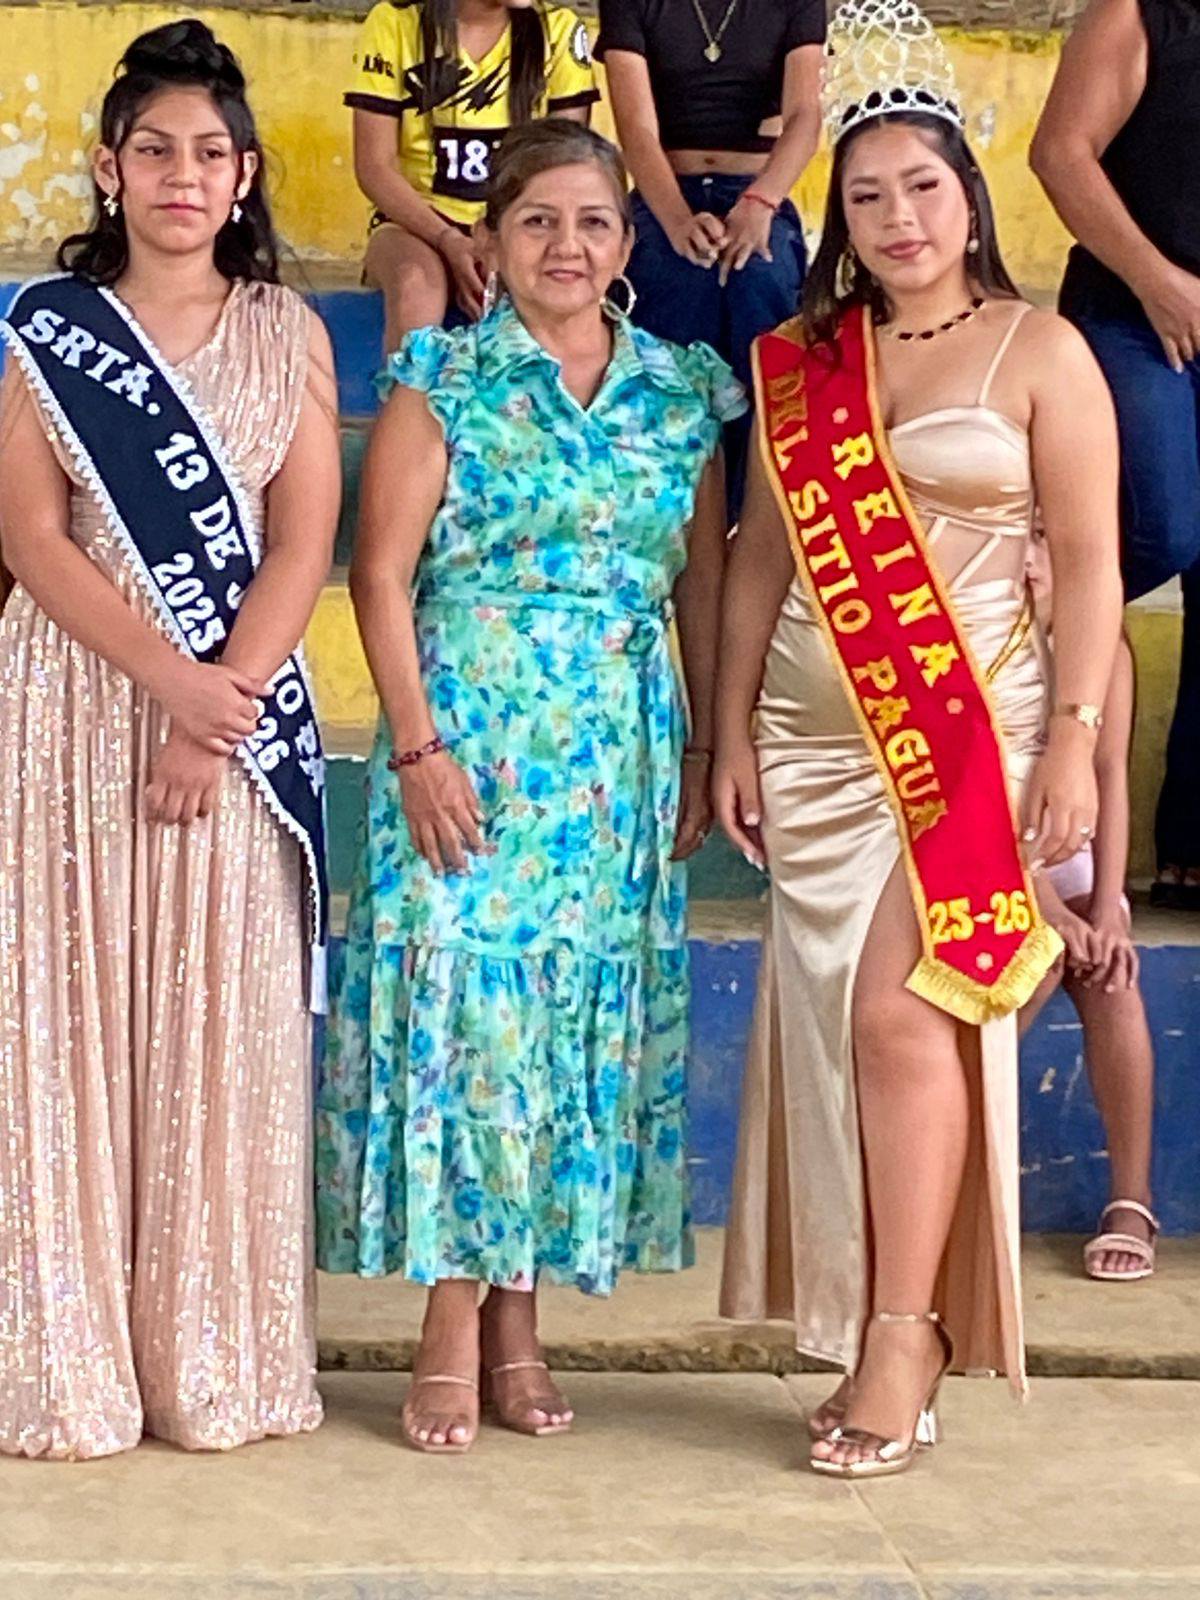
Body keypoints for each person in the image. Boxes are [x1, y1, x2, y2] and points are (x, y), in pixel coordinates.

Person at [715, 0, 1123, 1478]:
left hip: (971, 731)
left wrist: (1074, 740)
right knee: (852, 1035)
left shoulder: (1043, 349)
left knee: (905, 1015)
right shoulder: (800, 359)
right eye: (870, 194)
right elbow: (760, 558)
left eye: (923, 186)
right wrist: (726, 732)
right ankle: (886, 1316)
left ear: (970, 196)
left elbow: (1092, 563)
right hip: (809, 740)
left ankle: (905, 1333)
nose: (899, 217)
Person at [315, 119, 744, 1456]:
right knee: (470, 1021)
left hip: (614, 753)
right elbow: (380, 572)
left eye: (594, 222)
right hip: (467, 742)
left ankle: (520, 1321)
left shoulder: (680, 392)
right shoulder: (443, 376)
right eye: (539, 220)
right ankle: (449, 1324)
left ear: (626, 243)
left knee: (563, 1029)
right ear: (492, 240)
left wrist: (703, 745)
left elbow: (702, 581)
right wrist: (417, 747)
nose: (568, 245)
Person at [0, 20, 340, 1459]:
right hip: (71, 703)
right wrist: (166, 678)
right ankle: (67, 1363)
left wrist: (220, 707)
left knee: (219, 1021)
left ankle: (214, 1359)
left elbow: (301, 542)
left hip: (232, 727)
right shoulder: (49, 332)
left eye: (210, 152)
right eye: (155, 150)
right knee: (67, 1021)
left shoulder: (288, 333)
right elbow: (32, 538)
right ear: (110, 168)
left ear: (245, 175)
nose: (182, 175)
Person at [1031, 0, 1200, 911]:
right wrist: (1157, 281)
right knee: (1164, 527)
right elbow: (1060, 153)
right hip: (1132, 318)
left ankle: (1188, 849)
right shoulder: (1139, 15)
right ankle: (1009, 633)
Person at [597, 0, 824, 513]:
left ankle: (762, 507)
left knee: (761, 284)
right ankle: (663, 500)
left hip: (757, 191)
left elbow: (805, 117)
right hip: (665, 193)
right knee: (675, 285)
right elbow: (635, 128)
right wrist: (677, 219)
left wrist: (762, 201)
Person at [1022, 536, 1158, 1282]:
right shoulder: (976, 639)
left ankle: (1131, 1199)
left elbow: (1110, 779)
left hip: (1072, 856)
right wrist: (1049, 913)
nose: (1029, 557)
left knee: (1114, 977)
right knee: (1033, 963)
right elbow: (982, 792)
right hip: (991, 859)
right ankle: (961, 1171)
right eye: (1019, 533)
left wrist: (1106, 909)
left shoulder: (1105, 650)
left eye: (1045, 538)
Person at [347, 0, 599, 352]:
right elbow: (375, 167)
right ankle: (408, 389)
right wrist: (447, 239)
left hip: (518, 223)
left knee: (538, 295)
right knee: (416, 287)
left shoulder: (558, 31)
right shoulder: (395, 22)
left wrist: (501, 241)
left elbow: (563, 175)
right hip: (413, 224)